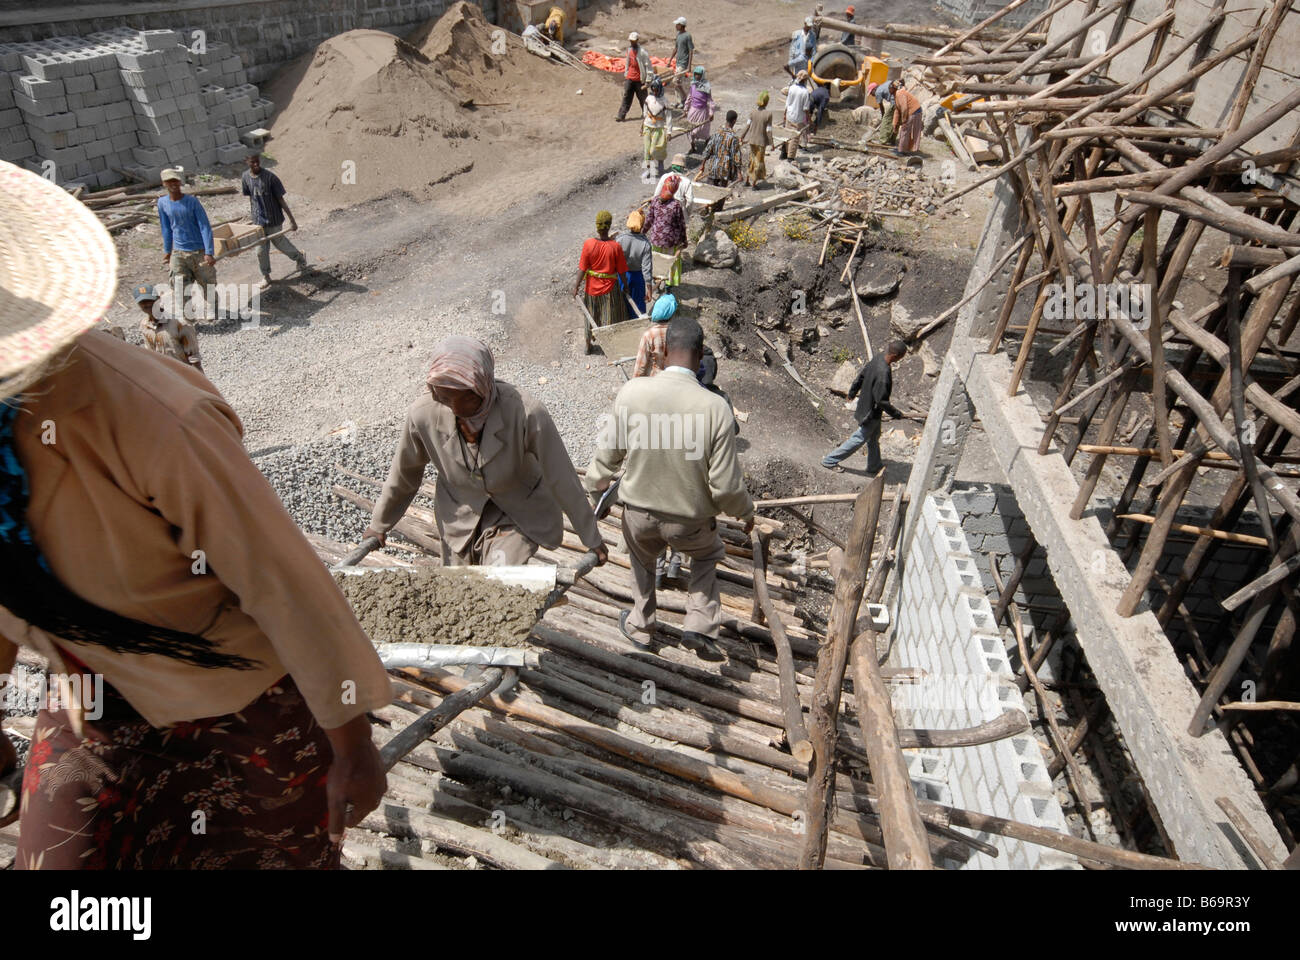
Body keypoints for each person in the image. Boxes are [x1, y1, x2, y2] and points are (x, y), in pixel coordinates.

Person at [0, 161, 392, 869]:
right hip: (96, 703)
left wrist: (353, 745)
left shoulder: (156, 417)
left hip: (239, 703)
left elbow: (282, 579)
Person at [585, 317, 755, 662]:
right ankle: (699, 626)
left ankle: (641, 626)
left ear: (663, 351)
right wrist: (746, 513)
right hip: (689, 521)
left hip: (639, 515)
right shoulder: (716, 409)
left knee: (642, 561)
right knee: (707, 556)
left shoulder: (632, 392)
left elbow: (605, 462)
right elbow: (724, 486)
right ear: (699, 354)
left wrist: (596, 492)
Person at [365, 337, 607, 569]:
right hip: (459, 513)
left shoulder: (524, 412)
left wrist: (591, 537)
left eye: (466, 399)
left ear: (483, 387)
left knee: (500, 581)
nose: (457, 409)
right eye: (445, 399)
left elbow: (560, 475)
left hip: (516, 513)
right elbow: (404, 474)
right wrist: (379, 524)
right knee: (463, 593)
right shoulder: (424, 414)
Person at [821, 339, 907, 473]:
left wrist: (852, 391)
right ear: (896, 356)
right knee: (859, 438)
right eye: (903, 355)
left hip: (865, 406)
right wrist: (896, 414)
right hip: (870, 414)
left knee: (874, 437)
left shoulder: (878, 358)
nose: (903, 358)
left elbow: (862, 374)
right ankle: (830, 460)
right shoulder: (883, 374)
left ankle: (874, 465)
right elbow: (881, 401)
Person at [156, 166, 216, 321]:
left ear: (180, 182)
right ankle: (189, 316)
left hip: (198, 251)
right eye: (169, 181)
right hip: (179, 252)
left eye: (175, 180)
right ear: (164, 184)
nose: (173, 184)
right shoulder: (162, 203)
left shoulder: (192, 202)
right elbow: (166, 228)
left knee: (207, 283)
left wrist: (209, 252)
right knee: (179, 286)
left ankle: (211, 308)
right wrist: (167, 251)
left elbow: (204, 226)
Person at [242, 153, 307, 290]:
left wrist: (292, 220)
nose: (256, 164)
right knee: (260, 250)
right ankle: (266, 277)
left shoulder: (270, 178)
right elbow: (252, 198)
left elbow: (281, 200)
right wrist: (253, 216)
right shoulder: (245, 177)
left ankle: (300, 258)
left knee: (280, 243)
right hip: (258, 220)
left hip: (274, 218)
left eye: (257, 162)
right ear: (247, 162)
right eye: (253, 162)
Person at [573, 210, 629, 328]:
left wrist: (576, 287)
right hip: (610, 290)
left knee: (591, 316)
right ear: (609, 227)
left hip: (591, 289)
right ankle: (608, 339)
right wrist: (626, 286)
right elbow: (622, 271)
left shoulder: (588, 244)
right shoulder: (615, 247)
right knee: (609, 317)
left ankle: (588, 343)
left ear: (597, 226)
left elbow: (582, 269)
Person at [133, 282, 202, 373]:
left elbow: (194, 358)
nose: (147, 304)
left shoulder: (180, 323)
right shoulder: (145, 326)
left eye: (150, 300)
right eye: (142, 302)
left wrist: (198, 381)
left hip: (184, 375)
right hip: (163, 376)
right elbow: (151, 354)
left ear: (158, 299)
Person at [643, 175, 687, 288]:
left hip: (656, 240)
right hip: (671, 242)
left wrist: (643, 232)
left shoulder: (655, 201)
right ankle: (668, 287)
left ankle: (654, 283)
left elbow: (649, 219)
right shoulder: (676, 205)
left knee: (656, 263)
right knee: (669, 263)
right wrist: (684, 241)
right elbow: (681, 225)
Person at [617, 210, 654, 317]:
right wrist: (650, 291)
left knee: (621, 303)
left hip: (622, 275)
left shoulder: (620, 239)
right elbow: (647, 270)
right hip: (638, 278)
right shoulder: (645, 244)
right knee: (637, 308)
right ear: (642, 225)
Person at [633, 292, 676, 378]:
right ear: (672, 314)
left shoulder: (649, 335)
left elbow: (641, 366)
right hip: (673, 379)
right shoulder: (678, 332)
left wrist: (634, 383)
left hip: (653, 380)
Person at [616, 31, 652, 122]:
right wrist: (626, 73)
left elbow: (648, 67)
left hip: (640, 79)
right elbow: (627, 62)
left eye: (633, 41)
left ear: (637, 40)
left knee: (643, 99)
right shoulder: (629, 50)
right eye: (631, 41)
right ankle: (621, 115)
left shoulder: (643, 53)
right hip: (630, 78)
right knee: (626, 96)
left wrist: (648, 79)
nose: (632, 43)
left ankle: (647, 114)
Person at [699, 110, 743, 186]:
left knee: (709, 189)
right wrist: (739, 173)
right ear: (734, 121)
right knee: (722, 192)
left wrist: (702, 165)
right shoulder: (733, 137)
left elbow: (708, 150)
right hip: (725, 169)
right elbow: (737, 157)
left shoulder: (716, 134)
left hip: (713, 167)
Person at [740, 91, 774, 187]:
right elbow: (768, 130)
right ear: (767, 102)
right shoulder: (768, 114)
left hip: (752, 141)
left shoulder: (752, 112)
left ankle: (747, 180)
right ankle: (754, 184)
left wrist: (741, 137)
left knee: (751, 160)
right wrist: (772, 143)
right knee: (758, 163)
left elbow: (747, 126)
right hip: (761, 143)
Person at [642, 77, 670, 181]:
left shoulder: (665, 101)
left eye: (656, 89)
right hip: (648, 126)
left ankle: (660, 162)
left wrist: (669, 131)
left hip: (658, 128)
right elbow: (645, 111)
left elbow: (668, 117)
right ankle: (648, 169)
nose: (655, 91)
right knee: (646, 150)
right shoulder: (649, 98)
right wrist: (644, 121)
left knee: (655, 149)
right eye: (653, 89)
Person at [684, 66, 715, 153]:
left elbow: (710, 100)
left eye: (699, 74)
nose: (697, 76)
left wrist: (711, 112)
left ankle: (707, 141)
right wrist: (686, 108)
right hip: (693, 110)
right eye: (696, 74)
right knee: (689, 130)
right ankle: (692, 146)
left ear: (703, 75)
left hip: (702, 112)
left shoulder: (706, 87)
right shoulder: (693, 84)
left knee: (702, 130)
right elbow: (689, 97)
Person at [784, 71, 813, 158]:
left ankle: (785, 153)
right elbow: (806, 109)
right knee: (795, 138)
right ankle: (790, 157)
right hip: (798, 118)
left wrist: (784, 115)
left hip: (789, 114)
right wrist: (809, 120)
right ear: (805, 81)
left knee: (787, 134)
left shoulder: (792, 88)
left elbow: (787, 103)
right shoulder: (805, 92)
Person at [893, 77, 924, 154]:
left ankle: (903, 150)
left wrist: (903, 120)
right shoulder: (896, 95)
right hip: (912, 111)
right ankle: (905, 148)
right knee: (905, 130)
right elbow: (897, 110)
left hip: (915, 111)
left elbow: (904, 108)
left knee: (905, 130)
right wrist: (894, 124)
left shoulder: (900, 93)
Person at [672, 17, 694, 108]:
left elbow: (691, 50)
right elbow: (676, 48)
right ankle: (679, 101)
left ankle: (684, 98)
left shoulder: (687, 36)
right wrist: (670, 60)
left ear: (681, 25)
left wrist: (689, 65)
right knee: (677, 82)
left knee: (675, 81)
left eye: (677, 24)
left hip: (683, 63)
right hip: (678, 62)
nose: (676, 26)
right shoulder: (678, 35)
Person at [875, 78, 898, 145]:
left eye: (871, 93)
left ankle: (882, 140)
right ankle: (892, 140)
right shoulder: (885, 84)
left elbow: (881, 106)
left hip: (894, 103)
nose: (872, 95)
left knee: (886, 121)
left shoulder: (877, 92)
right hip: (899, 103)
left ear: (874, 89)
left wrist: (883, 117)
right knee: (895, 121)